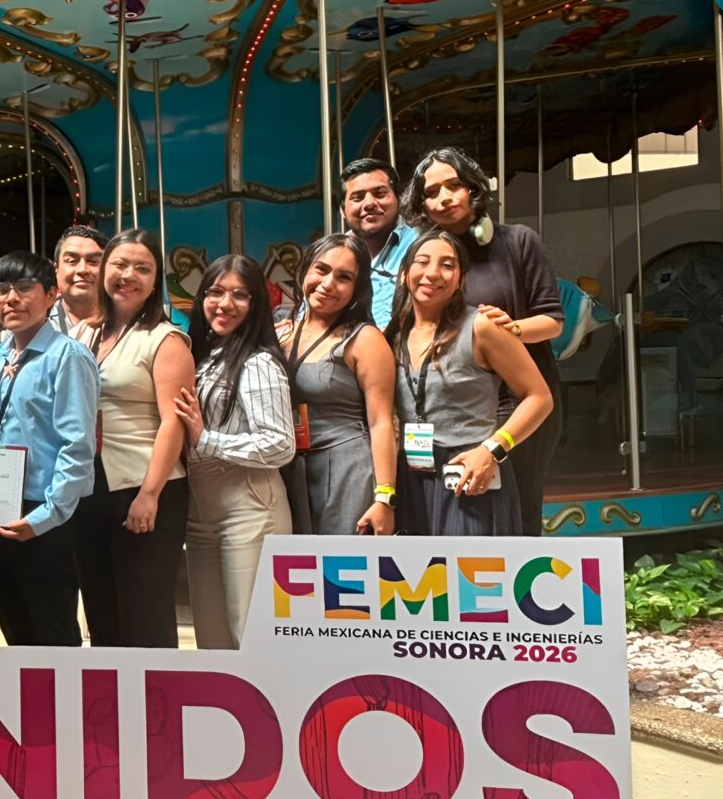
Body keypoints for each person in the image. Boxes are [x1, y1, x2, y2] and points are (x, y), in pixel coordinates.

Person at [401, 148, 564, 536]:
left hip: (517, 400)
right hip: (454, 406)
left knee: (517, 513)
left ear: (473, 189)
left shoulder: (518, 241)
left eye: (454, 185)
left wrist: (510, 331)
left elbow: (553, 321)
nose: (444, 198)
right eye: (432, 192)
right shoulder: (425, 262)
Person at [0, 251, 99, 646]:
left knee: (53, 637)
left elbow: (77, 446)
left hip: (44, 516)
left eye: (23, 288)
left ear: (52, 294)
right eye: (0, 290)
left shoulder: (67, 357)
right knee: (15, 632)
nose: (10, 299)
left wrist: (45, 517)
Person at [386, 229, 555, 536]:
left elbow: (539, 397)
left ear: (461, 280)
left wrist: (493, 450)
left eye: (447, 265)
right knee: (422, 568)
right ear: (404, 275)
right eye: (422, 262)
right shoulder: (394, 335)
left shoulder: (482, 326)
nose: (432, 273)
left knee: (470, 568)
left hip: (471, 472)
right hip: (413, 476)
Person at [74, 229, 194, 647]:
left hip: (144, 487)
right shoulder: (85, 334)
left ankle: (158, 690)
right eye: (120, 265)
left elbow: (174, 422)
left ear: (156, 279)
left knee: (145, 615)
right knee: (101, 611)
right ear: (104, 270)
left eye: (142, 268)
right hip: (90, 486)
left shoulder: (166, 339)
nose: (129, 275)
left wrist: (150, 493)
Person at [174, 254, 294, 650]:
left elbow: (281, 443)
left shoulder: (258, 362)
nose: (225, 304)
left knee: (252, 637)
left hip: (250, 508)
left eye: (240, 295)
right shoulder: (202, 355)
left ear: (256, 304)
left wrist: (207, 439)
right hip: (200, 511)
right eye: (215, 292)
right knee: (211, 640)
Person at [280, 234, 399, 536]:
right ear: (305, 269)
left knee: (344, 563)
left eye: (344, 277)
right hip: (291, 469)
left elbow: (382, 422)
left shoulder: (365, 339)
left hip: (347, 470)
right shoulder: (282, 330)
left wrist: (384, 497)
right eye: (321, 269)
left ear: (357, 288)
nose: (328, 283)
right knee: (296, 564)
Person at [341, 158, 418, 330]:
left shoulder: (422, 245)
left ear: (398, 199)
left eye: (380, 194)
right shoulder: (333, 254)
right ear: (342, 210)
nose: (369, 203)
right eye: (357, 197)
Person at [49, 225, 109, 336]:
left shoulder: (125, 323)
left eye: (93, 261)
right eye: (72, 260)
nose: (82, 270)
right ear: (56, 269)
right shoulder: (35, 323)